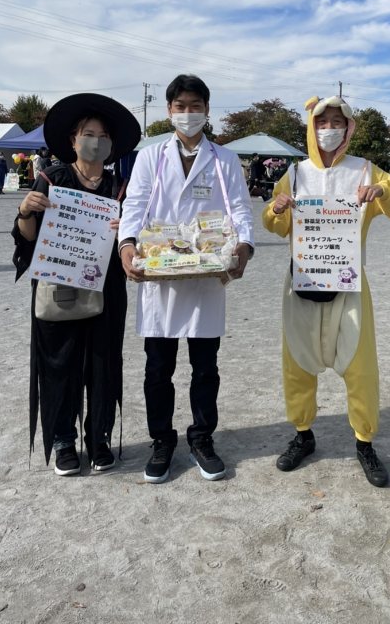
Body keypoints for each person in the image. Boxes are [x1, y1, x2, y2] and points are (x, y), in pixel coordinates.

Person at [263, 95, 390, 487]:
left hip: (349, 283)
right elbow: (272, 223)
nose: (328, 128)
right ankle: (303, 435)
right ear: (311, 127)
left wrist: (383, 193)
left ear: (348, 128)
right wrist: (277, 209)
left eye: (336, 121)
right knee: (296, 363)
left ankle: (364, 442)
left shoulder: (365, 171)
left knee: (360, 365)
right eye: (321, 121)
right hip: (303, 280)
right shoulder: (295, 174)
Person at [118, 74, 254, 485]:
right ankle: (162, 440)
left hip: (206, 277)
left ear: (207, 110)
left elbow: (241, 212)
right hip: (160, 274)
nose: (188, 113)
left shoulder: (225, 159)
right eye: (180, 106)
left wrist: (244, 248)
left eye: (195, 106)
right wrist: (127, 245)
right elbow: (135, 205)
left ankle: (201, 438)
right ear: (169, 111)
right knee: (157, 367)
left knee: (205, 366)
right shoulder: (151, 156)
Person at [12, 93, 141, 476]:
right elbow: (26, 238)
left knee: (103, 364)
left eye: (103, 136)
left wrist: (127, 233)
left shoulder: (121, 187)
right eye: (88, 133)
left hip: (106, 290)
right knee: (59, 364)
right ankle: (63, 439)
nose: (95, 141)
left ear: (111, 144)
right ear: (73, 139)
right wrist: (25, 211)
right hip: (58, 287)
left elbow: (136, 240)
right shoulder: (53, 178)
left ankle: (98, 437)